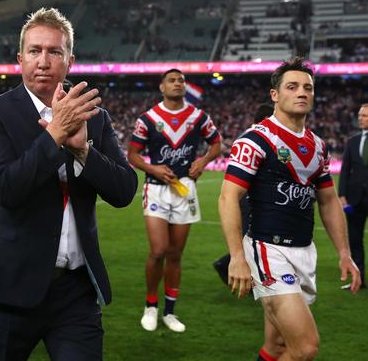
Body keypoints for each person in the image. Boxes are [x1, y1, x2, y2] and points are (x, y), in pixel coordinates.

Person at [0, 7, 137, 360]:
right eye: (35, 51)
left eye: (54, 51)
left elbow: (125, 191)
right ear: (19, 59)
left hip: (75, 290)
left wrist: (83, 150)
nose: (43, 61)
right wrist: (55, 134)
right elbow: (5, 188)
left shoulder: (95, 116)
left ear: (70, 60)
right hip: (6, 284)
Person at [218, 58, 362, 361]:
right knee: (306, 346)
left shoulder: (318, 146)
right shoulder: (256, 139)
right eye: (292, 86)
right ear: (275, 94)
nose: (302, 93)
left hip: (303, 250)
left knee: (277, 347)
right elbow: (228, 198)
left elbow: (328, 201)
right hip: (267, 249)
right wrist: (236, 258)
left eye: (308, 88)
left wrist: (344, 253)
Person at [128, 69, 222, 333]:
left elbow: (217, 145)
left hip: (185, 189)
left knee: (175, 254)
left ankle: (169, 312)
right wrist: (154, 169)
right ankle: (150, 305)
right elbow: (132, 155)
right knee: (158, 251)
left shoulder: (198, 117)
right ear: (162, 87)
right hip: (157, 189)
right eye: (172, 80)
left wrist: (203, 161)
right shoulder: (148, 119)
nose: (178, 83)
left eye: (181, 80)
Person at [213, 103, 274, 285]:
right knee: (251, 240)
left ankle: (256, 278)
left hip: (249, 198)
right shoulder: (252, 139)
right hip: (248, 198)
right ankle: (226, 265)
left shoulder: (251, 137)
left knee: (257, 239)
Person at [338, 103, 368, 290]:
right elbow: (344, 171)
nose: (361, 118)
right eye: (360, 115)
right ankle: (360, 280)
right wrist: (342, 195)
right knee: (355, 242)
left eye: (365, 115)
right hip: (355, 200)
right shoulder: (352, 141)